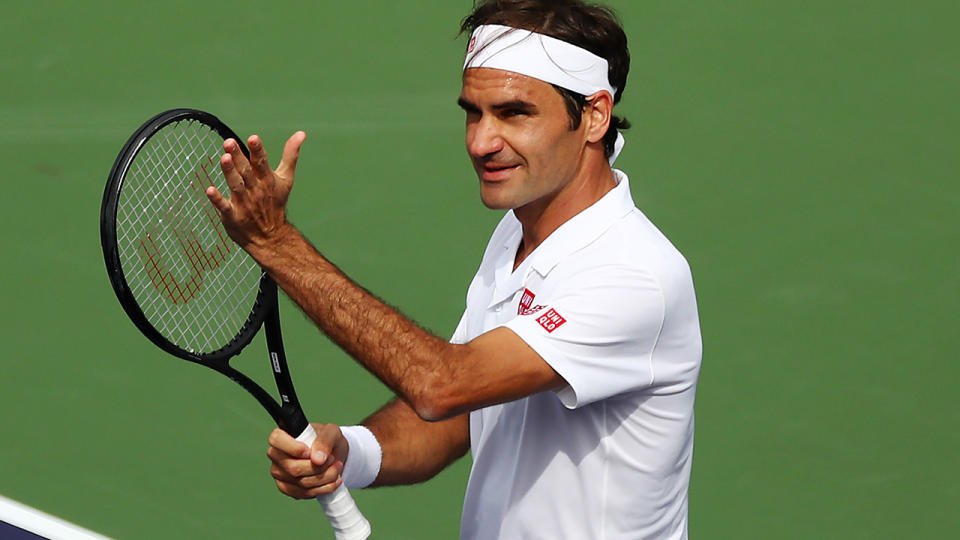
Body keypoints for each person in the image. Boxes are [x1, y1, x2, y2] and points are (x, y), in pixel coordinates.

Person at [205, 0, 702, 538]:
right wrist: (350, 450)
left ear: (594, 116)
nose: (480, 142)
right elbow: (466, 415)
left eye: (514, 113)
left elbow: (443, 384)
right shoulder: (519, 229)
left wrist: (276, 244)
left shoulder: (633, 274)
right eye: (473, 111)